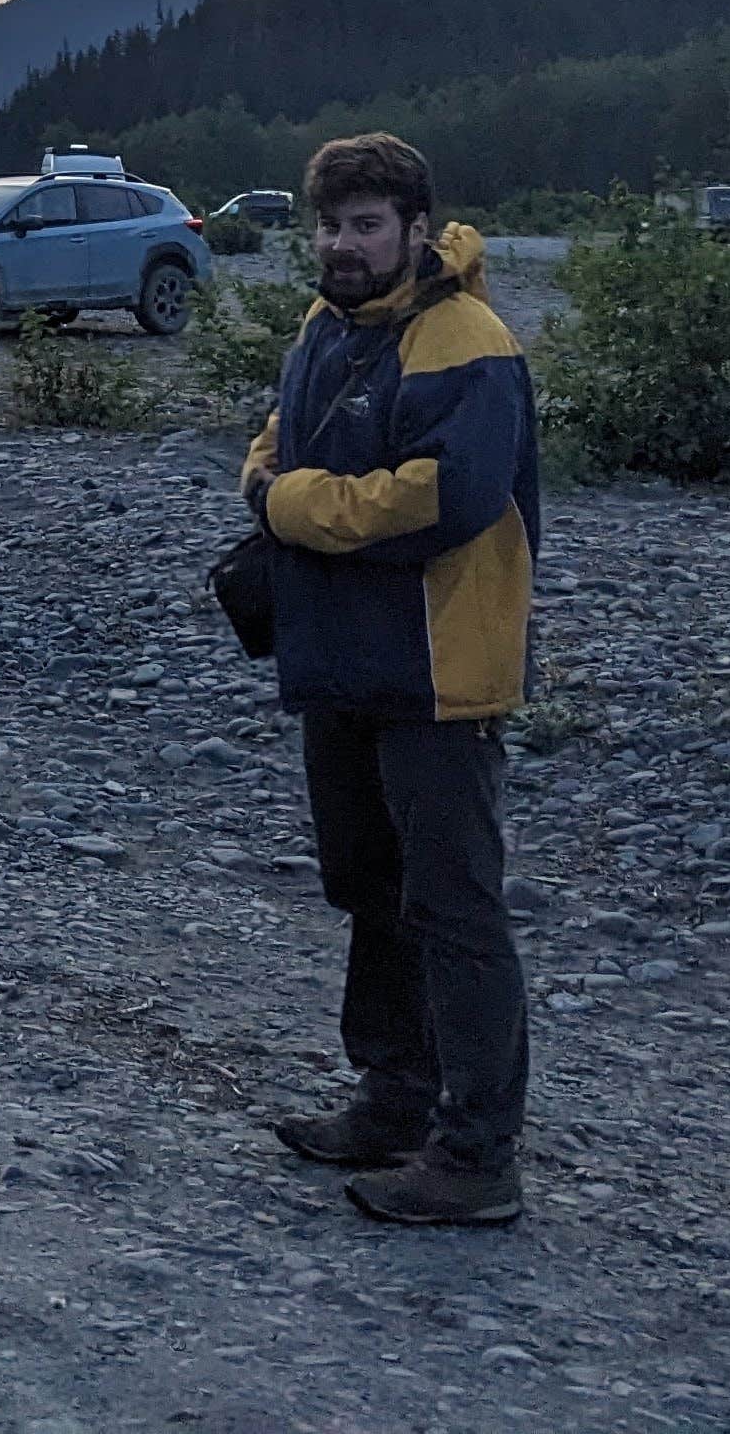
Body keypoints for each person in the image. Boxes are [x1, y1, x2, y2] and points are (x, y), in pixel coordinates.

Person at [244, 132, 542, 1228]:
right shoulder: (326, 328)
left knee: (455, 906)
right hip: (346, 662)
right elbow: (276, 442)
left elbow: (445, 499)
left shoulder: (467, 340)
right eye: (329, 226)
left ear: (418, 228)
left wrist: (291, 509)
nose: (343, 245)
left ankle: (477, 1153)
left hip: (439, 668)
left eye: (366, 225)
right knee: (369, 888)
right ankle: (394, 1097)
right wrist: (278, 483)